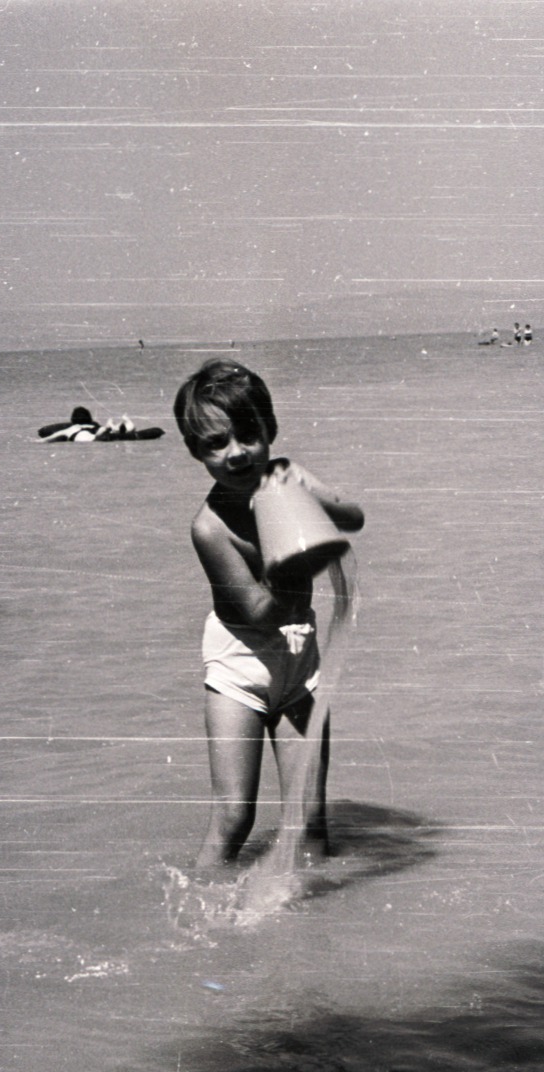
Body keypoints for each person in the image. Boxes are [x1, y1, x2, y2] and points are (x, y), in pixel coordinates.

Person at [173, 359, 366, 871]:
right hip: (241, 665)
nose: (235, 453)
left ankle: (308, 931)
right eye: (215, 443)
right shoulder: (209, 529)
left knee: (310, 816)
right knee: (235, 817)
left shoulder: (285, 474)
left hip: (300, 659)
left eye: (247, 435)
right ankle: (201, 915)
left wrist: (311, 502)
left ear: (269, 431)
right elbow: (258, 610)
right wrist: (294, 556)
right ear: (195, 452)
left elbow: (354, 517)